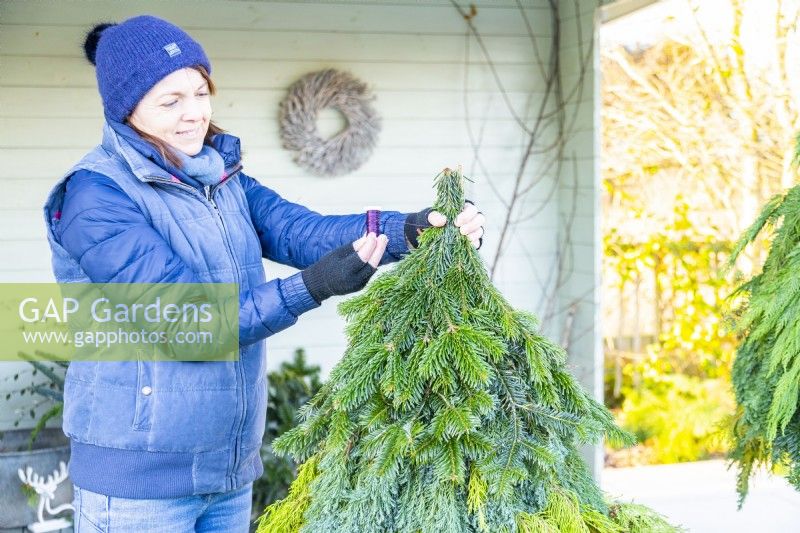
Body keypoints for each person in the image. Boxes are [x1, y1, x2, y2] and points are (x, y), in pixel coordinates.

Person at [42, 14, 486, 533]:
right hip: (140, 482)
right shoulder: (95, 196)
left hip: (227, 468)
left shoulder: (220, 178)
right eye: (171, 101)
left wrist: (410, 229)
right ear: (126, 109)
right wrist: (311, 288)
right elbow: (188, 323)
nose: (194, 115)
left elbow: (302, 231)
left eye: (200, 93)